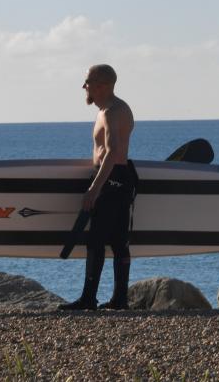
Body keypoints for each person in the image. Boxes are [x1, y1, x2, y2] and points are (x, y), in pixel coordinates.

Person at [59, 64, 137, 311]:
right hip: (120, 178)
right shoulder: (115, 109)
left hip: (111, 179)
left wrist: (95, 188)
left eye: (88, 82)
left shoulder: (112, 112)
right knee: (118, 241)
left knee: (96, 241)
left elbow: (112, 153)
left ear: (102, 85)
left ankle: (89, 299)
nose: (84, 87)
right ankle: (119, 299)